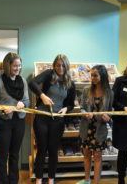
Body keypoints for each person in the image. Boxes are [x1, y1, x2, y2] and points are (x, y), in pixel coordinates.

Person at [28, 54, 76, 184]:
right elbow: (31, 83)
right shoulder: (49, 74)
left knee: (53, 149)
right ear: (54, 65)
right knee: (42, 149)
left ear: (67, 66)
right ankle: (38, 179)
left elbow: (70, 103)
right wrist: (42, 95)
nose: (60, 68)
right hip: (42, 117)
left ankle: (51, 179)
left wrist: (66, 109)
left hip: (57, 120)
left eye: (63, 65)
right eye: (57, 65)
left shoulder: (70, 83)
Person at [0, 52, 30, 184]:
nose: (18, 68)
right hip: (4, 123)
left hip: (19, 121)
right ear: (8, 65)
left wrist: (23, 104)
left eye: (19, 66)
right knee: (3, 155)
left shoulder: (23, 81)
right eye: (15, 66)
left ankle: (14, 181)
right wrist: (3, 110)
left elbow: (27, 101)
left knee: (15, 154)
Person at [77, 65, 114, 184]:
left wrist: (108, 118)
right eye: (91, 75)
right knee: (86, 155)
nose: (92, 77)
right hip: (86, 128)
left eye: (95, 75)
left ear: (102, 76)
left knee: (97, 157)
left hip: (99, 129)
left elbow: (111, 111)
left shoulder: (109, 93)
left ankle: (96, 182)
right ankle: (87, 180)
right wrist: (85, 113)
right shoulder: (86, 90)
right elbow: (82, 108)